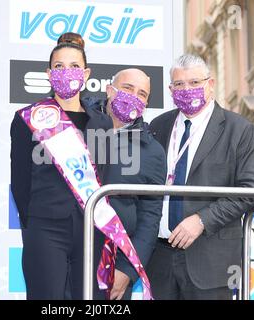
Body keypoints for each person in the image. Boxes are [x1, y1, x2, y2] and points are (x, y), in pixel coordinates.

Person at [146, 54, 254, 300]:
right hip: (160, 260)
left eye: (194, 83)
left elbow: (251, 189)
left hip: (211, 260)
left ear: (210, 84)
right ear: (170, 89)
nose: (186, 90)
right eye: (179, 84)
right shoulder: (158, 126)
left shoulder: (239, 130)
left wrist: (201, 220)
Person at [10, 32, 113, 300]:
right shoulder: (28, 119)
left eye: (75, 66)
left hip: (89, 228)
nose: (67, 72)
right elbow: (20, 180)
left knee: (87, 297)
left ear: (87, 73)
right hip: (45, 227)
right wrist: (33, 222)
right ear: (48, 73)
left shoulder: (102, 123)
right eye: (59, 67)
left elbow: (104, 176)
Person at [92, 68, 167, 300]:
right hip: (65, 256)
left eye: (142, 93)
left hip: (113, 264)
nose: (134, 96)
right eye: (127, 88)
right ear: (109, 90)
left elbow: (149, 219)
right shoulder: (77, 126)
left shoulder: (152, 151)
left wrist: (127, 270)